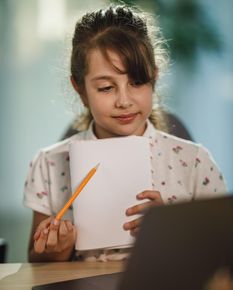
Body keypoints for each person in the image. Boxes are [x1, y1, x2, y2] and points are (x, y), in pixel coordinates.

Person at [23, 5, 227, 263]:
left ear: (154, 77)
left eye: (137, 82)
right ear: (80, 90)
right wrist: (59, 248)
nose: (124, 101)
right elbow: (33, 261)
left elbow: (220, 258)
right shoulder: (49, 164)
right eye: (107, 88)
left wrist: (174, 232)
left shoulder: (195, 162)